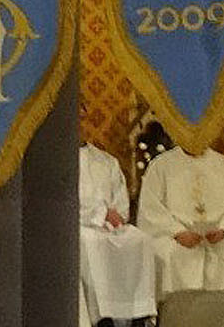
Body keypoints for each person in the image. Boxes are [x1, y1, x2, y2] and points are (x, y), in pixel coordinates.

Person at [138, 142, 224, 294]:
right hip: (175, 238)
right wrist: (178, 232)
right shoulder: (160, 166)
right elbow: (151, 209)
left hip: (217, 237)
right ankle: (178, 314)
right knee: (170, 254)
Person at [78, 139, 157, 327]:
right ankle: (102, 316)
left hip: (110, 226)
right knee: (90, 242)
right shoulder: (56, 159)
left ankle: (139, 313)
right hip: (80, 224)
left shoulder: (105, 160)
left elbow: (120, 201)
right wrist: (99, 214)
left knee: (140, 239)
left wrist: (115, 216)